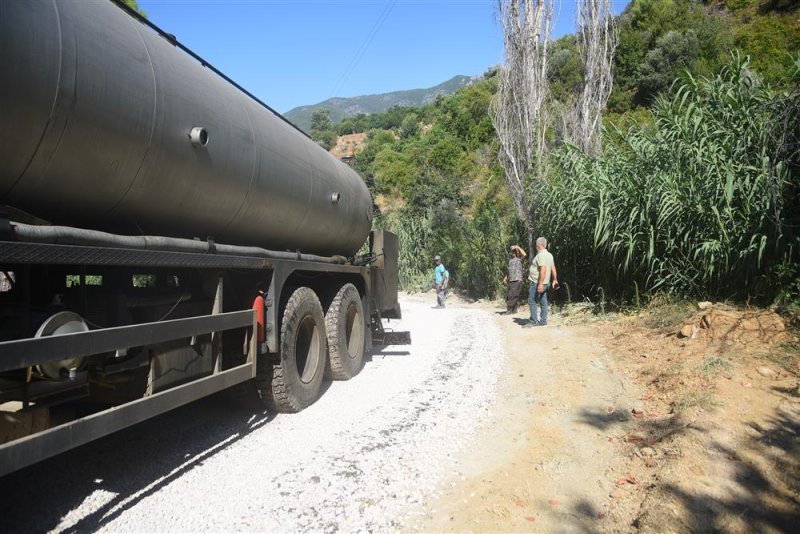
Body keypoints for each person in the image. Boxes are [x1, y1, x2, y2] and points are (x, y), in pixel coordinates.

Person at [524, 237, 559, 327]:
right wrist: (555, 279)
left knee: (532, 300)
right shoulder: (549, 255)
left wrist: (539, 284)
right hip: (546, 283)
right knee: (543, 301)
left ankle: (533, 321)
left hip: (537, 283)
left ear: (538, 245)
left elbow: (543, 269)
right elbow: (553, 268)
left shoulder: (541, 255)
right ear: (545, 245)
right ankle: (543, 321)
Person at [502, 245, 527, 314]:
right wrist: (505, 277)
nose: (513, 253)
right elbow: (509, 271)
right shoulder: (510, 261)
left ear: (517, 253)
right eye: (512, 252)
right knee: (510, 295)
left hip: (517, 279)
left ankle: (509, 310)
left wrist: (518, 247)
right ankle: (514, 310)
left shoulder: (519, 259)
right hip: (511, 280)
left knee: (512, 295)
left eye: (514, 252)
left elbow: (524, 254)